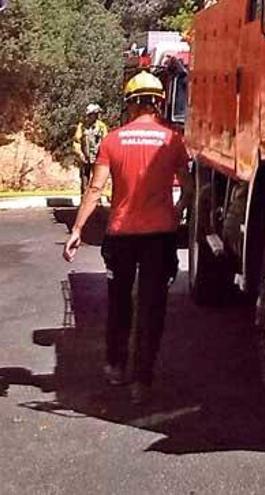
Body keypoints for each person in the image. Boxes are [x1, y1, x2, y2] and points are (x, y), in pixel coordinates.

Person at [62, 71, 194, 404]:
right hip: (160, 236)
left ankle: (116, 366)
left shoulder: (113, 140)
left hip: (121, 235)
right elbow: (190, 188)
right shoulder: (172, 140)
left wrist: (77, 229)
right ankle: (142, 381)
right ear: (159, 102)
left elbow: (95, 188)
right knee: (152, 307)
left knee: (120, 300)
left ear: (131, 105)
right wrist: (176, 212)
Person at [72, 103, 109, 195]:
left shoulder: (101, 127)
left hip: (98, 159)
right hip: (85, 159)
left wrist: (103, 157)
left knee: (97, 182)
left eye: (97, 114)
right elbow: (76, 141)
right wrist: (80, 154)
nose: (96, 116)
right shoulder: (82, 126)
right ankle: (84, 202)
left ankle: (97, 202)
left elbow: (106, 142)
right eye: (93, 114)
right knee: (85, 181)